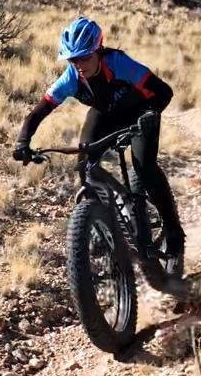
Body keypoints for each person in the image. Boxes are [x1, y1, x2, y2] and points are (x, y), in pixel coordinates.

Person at [13, 16, 185, 278]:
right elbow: (38, 111)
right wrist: (23, 141)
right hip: (105, 114)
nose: (78, 65)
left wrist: (150, 115)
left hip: (141, 113)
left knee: (144, 167)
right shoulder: (71, 77)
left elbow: (163, 92)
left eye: (84, 57)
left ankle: (173, 231)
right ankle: (96, 222)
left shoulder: (120, 64)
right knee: (85, 162)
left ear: (97, 50)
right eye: (72, 59)